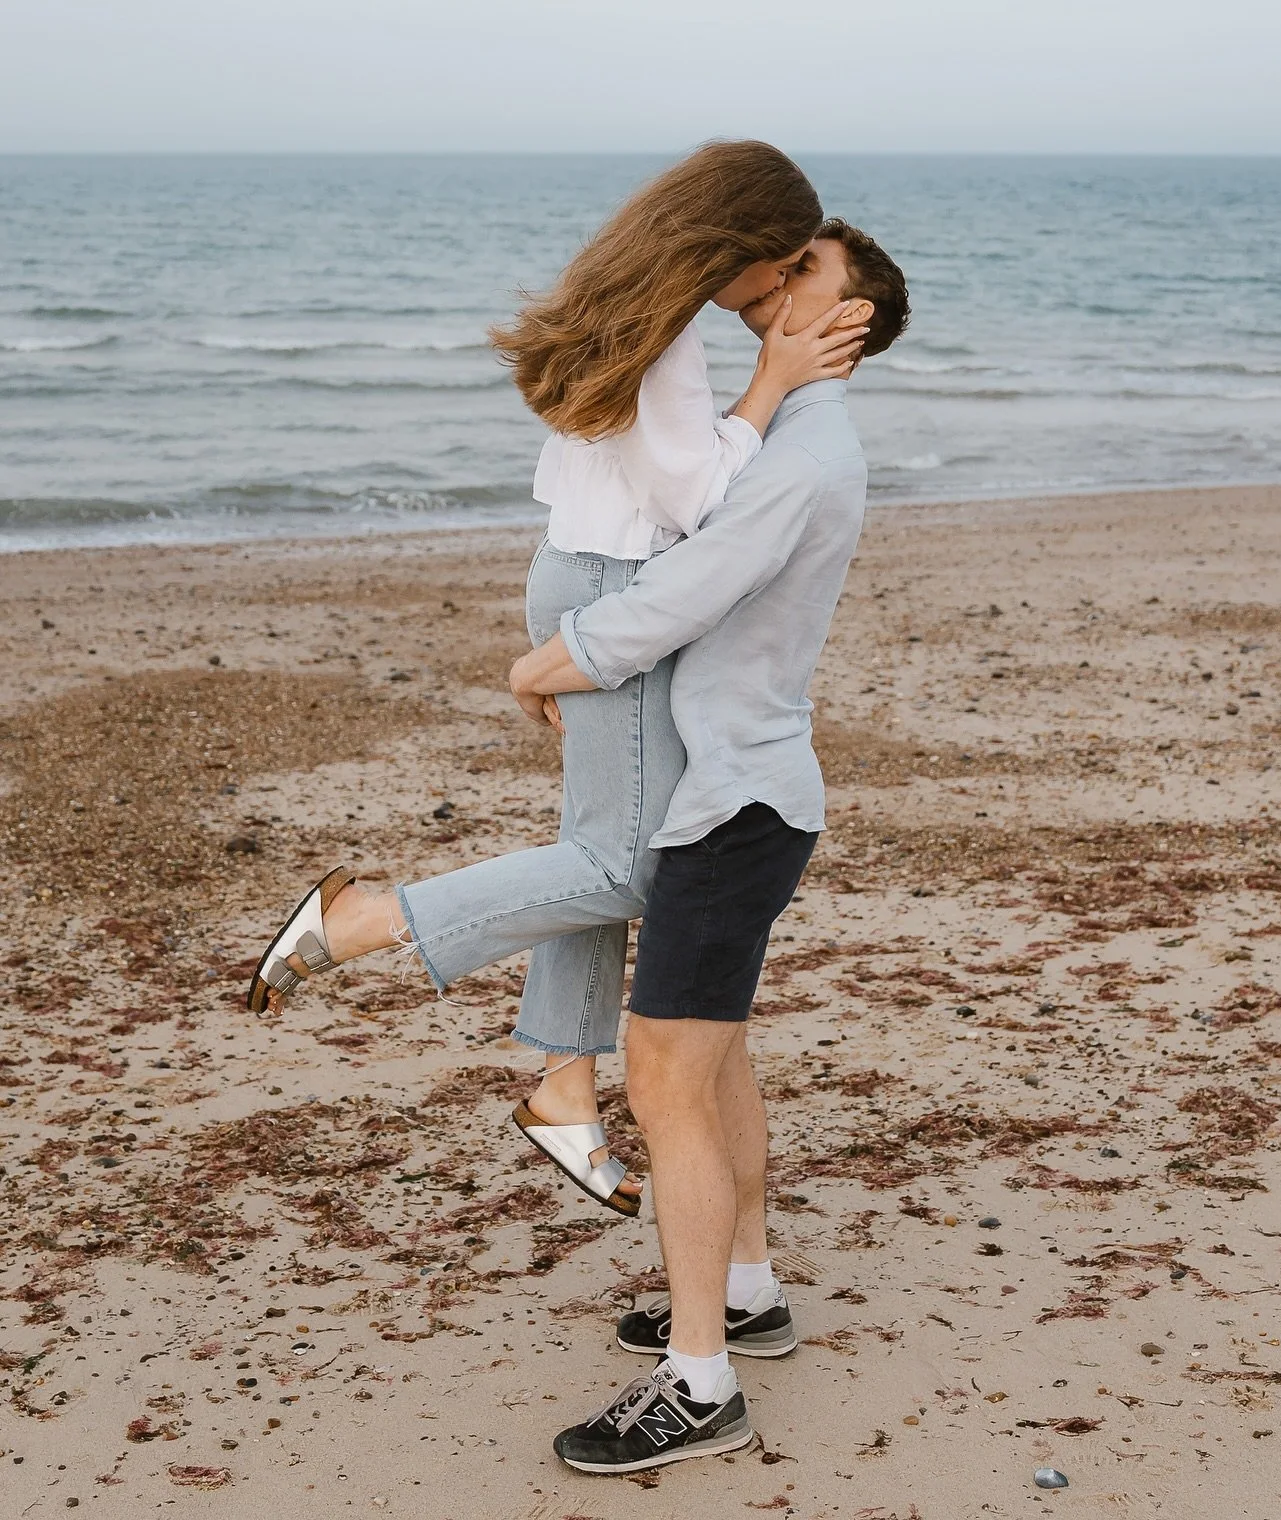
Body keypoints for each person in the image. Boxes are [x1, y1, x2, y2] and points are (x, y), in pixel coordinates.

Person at [245, 142, 867, 1217]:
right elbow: (692, 502)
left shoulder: (630, 297)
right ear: (732, 239)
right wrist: (774, 382)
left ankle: (568, 1088)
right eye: (771, 267)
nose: (768, 292)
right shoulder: (670, 338)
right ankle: (362, 920)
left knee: (600, 846)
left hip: (581, 570)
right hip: (615, 581)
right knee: (626, 866)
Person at [506, 221, 911, 1474]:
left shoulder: (809, 449)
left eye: (809, 280)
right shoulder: (787, 429)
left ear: (849, 323)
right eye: (785, 269)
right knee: (717, 1065)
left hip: (733, 807)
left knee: (669, 1080)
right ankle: (750, 1293)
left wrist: (556, 656)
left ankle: (699, 1386)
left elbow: (690, 587)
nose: (780, 287)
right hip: (743, 795)